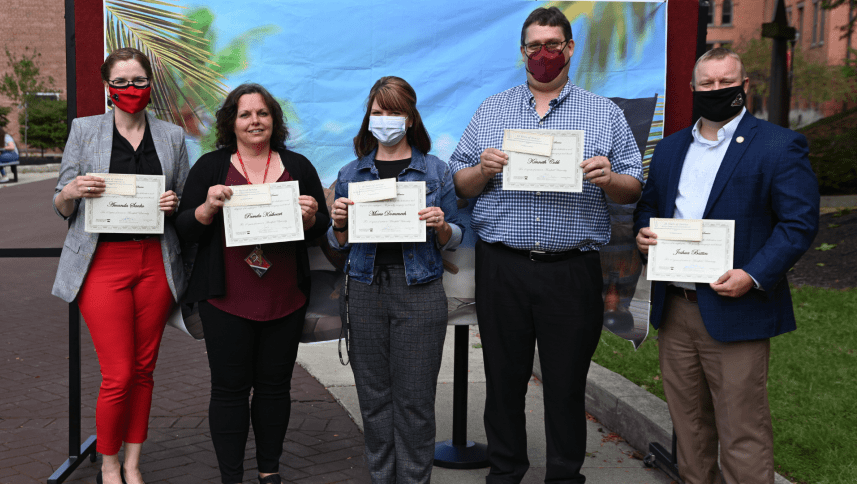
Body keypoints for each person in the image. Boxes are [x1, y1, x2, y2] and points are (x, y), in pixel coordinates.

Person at [448, 7, 643, 483]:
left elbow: (634, 185)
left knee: (565, 382)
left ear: (570, 48)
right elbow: (459, 183)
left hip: (571, 270)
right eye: (534, 47)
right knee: (504, 379)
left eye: (552, 45)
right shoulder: (492, 110)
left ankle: (563, 474)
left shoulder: (604, 114)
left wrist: (608, 177)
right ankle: (506, 470)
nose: (543, 54)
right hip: (504, 266)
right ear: (522, 53)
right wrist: (484, 170)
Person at [633, 48, 819, 484]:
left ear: (744, 87)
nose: (717, 90)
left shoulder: (777, 145)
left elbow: (798, 223)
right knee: (690, 429)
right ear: (694, 89)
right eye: (708, 83)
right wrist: (644, 234)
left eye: (726, 82)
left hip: (737, 308)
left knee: (742, 430)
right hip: (676, 309)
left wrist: (753, 275)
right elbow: (650, 207)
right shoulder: (671, 148)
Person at [175, 83, 329, 484]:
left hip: (285, 297)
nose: (254, 121)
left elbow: (322, 228)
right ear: (231, 122)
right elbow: (184, 228)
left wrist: (312, 217)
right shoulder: (210, 166)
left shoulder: (298, 167)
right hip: (225, 299)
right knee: (228, 390)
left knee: (275, 389)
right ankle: (231, 477)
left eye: (262, 113)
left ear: (274, 120)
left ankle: (268, 472)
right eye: (245, 114)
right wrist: (207, 207)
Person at [51, 47, 189, 484]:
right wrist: (72, 189)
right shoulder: (84, 130)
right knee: (118, 373)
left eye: (139, 81)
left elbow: (182, 200)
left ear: (150, 85)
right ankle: (109, 466)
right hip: (101, 262)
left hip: (155, 262)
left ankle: (132, 463)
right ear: (108, 88)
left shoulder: (171, 136)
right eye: (122, 82)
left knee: (144, 371)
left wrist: (174, 203)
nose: (132, 89)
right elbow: (59, 203)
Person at [327, 76, 463, 484]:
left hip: (419, 289)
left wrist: (441, 226)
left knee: (416, 400)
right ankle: (382, 477)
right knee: (373, 399)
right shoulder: (351, 172)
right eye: (378, 112)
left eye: (394, 112)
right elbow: (339, 245)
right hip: (365, 289)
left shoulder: (437, 171)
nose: (385, 119)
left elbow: (457, 234)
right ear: (369, 117)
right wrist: (338, 225)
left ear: (410, 117)